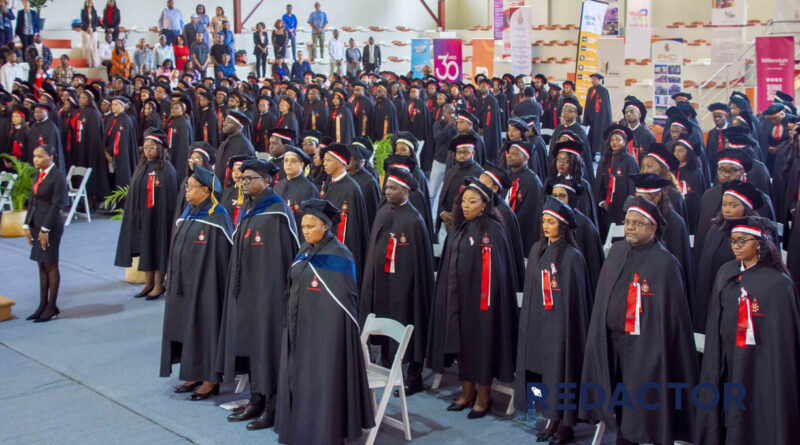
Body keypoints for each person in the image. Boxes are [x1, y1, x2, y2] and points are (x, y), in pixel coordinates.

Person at [579, 196, 698, 445]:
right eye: (628, 222)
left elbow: (673, 320)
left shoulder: (665, 264)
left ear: (653, 227)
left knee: (643, 404)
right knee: (617, 398)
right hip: (611, 342)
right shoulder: (617, 252)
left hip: (646, 347)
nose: (630, 227)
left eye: (637, 223)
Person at [274, 198, 375, 444]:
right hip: (301, 328)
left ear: (326, 227)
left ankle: (325, 433)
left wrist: (326, 330)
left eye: (311, 227)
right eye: (304, 227)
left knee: (324, 381)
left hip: (327, 334)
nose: (305, 231)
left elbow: (344, 302)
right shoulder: (305, 249)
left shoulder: (340, 255)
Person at [696, 216, 800, 445]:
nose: (735, 246)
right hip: (729, 357)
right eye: (733, 241)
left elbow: (783, 338)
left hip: (763, 362)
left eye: (743, 241)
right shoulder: (726, 273)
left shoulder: (778, 284)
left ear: (760, 244)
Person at [216, 158, 300, 430]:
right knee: (253, 345)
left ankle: (273, 404)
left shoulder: (277, 211)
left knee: (269, 348)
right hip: (248, 292)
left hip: (270, 295)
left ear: (267, 180)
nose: (244, 182)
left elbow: (286, 259)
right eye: (243, 178)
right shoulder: (250, 208)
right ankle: (256, 397)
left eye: (250, 178)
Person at [427, 177, 519, 418]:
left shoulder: (493, 231)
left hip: (484, 304)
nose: (466, 205)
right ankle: (467, 393)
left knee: (484, 346)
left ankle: (483, 396)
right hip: (460, 300)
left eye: (472, 201)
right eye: (464, 201)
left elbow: (495, 272)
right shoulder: (459, 227)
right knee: (464, 347)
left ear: (485, 204)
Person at [515, 196, 592, 443]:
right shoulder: (537, 249)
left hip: (560, 325)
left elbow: (575, 301)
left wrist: (565, 327)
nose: (546, 226)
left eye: (551, 222)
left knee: (560, 371)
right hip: (539, 320)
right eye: (544, 221)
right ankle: (550, 418)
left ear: (564, 226)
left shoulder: (572, 256)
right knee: (540, 369)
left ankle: (564, 423)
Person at [360, 166, 433, 396]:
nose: (387, 191)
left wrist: (410, 285)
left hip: (406, 285)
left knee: (408, 320)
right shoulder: (383, 212)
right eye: (386, 187)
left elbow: (421, 262)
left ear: (406, 190)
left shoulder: (414, 220)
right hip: (383, 281)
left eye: (392, 188)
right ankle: (388, 365)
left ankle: (413, 375)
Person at [161, 165, 232, 400]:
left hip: (207, 285)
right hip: (184, 282)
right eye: (187, 186)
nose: (187, 191)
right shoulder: (190, 211)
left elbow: (220, 257)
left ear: (205, 190)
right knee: (186, 327)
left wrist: (210, 284)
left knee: (206, 328)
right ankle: (192, 373)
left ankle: (211, 378)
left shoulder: (217, 215)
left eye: (191, 187)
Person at [114, 128, 179, 300]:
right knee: (146, 249)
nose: (148, 150)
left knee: (158, 249)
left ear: (160, 148)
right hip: (143, 217)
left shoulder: (167, 169)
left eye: (152, 147)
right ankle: (148, 283)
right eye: (145, 147)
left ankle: (159, 285)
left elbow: (170, 198)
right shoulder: (142, 166)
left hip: (159, 218)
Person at [22, 144, 68, 323]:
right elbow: (32, 201)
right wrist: (27, 224)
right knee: (40, 264)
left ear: (51, 157)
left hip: (50, 226)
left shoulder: (58, 176)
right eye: (34, 156)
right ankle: (42, 304)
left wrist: (45, 229)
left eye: (40, 156)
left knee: (50, 264)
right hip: (36, 223)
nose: (36, 159)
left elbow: (57, 205)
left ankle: (52, 306)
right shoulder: (37, 174)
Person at [320, 143, 370, 287]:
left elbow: (355, 228)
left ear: (341, 162)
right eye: (324, 160)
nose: (324, 163)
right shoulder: (330, 183)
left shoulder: (352, 189)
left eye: (328, 160)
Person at [594, 124, 638, 239]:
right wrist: (601, 201)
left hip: (621, 206)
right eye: (612, 140)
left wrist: (628, 209)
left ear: (625, 142)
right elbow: (599, 183)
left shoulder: (629, 161)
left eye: (618, 140)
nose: (615, 142)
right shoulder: (605, 160)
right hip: (605, 206)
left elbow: (632, 187)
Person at [506, 139, 544, 255]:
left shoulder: (532, 181)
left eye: (515, 153)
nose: (510, 156)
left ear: (526, 158)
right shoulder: (505, 175)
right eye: (509, 153)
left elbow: (532, 215)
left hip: (523, 231)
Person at [273, 145, 319, 228]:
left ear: (301, 164)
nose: (288, 164)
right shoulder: (278, 186)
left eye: (293, 161)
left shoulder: (309, 188)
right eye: (286, 161)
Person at [104, 96, 138, 191]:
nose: (112, 107)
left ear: (122, 106)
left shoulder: (125, 120)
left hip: (119, 155)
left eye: (116, 104)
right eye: (112, 105)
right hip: (109, 153)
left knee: (121, 179)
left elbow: (121, 141)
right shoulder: (111, 119)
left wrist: (111, 153)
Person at [214, 110, 255, 181]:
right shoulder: (227, 141)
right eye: (225, 121)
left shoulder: (243, 146)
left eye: (229, 122)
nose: (224, 124)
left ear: (238, 126)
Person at [583, 73, 612, 156]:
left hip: (599, 118)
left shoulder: (603, 91)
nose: (593, 81)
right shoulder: (590, 90)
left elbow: (606, 107)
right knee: (590, 136)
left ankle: (601, 154)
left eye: (595, 79)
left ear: (599, 80)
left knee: (599, 137)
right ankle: (591, 154)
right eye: (592, 79)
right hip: (590, 118)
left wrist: (604, 119)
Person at [79, 0, 101, 68]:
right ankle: (88, 62)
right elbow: (83, 21)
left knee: (93, 47)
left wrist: (92, 28)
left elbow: (96, 22)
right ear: (85, 3)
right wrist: (87, 28)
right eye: (88, 2)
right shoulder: (83, 11)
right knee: (87, 47)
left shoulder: (94, 11)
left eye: (90, 2)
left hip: (93, 30)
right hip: (85, 30)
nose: (89, 4)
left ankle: (95, 62)